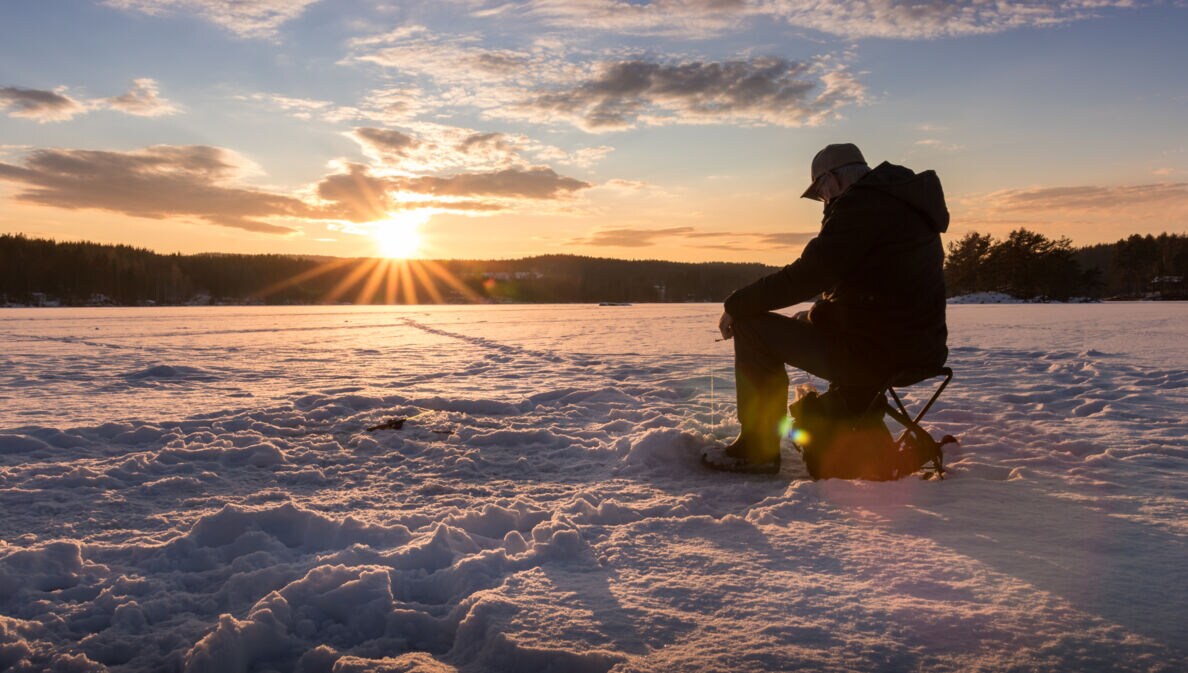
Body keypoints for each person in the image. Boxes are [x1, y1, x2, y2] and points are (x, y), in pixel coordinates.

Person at [702, 143, 949, 474]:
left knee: (752, 328)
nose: (823, 201)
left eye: (820, 192)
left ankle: (757, 450)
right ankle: (847, 436)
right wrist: (816, 315)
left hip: (874, 354)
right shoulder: (901, 205)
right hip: (917, 349)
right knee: (799, 325)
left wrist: (737, 303)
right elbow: (876, 290)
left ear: (832, 180)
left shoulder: (862, 206)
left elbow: (809, 274)